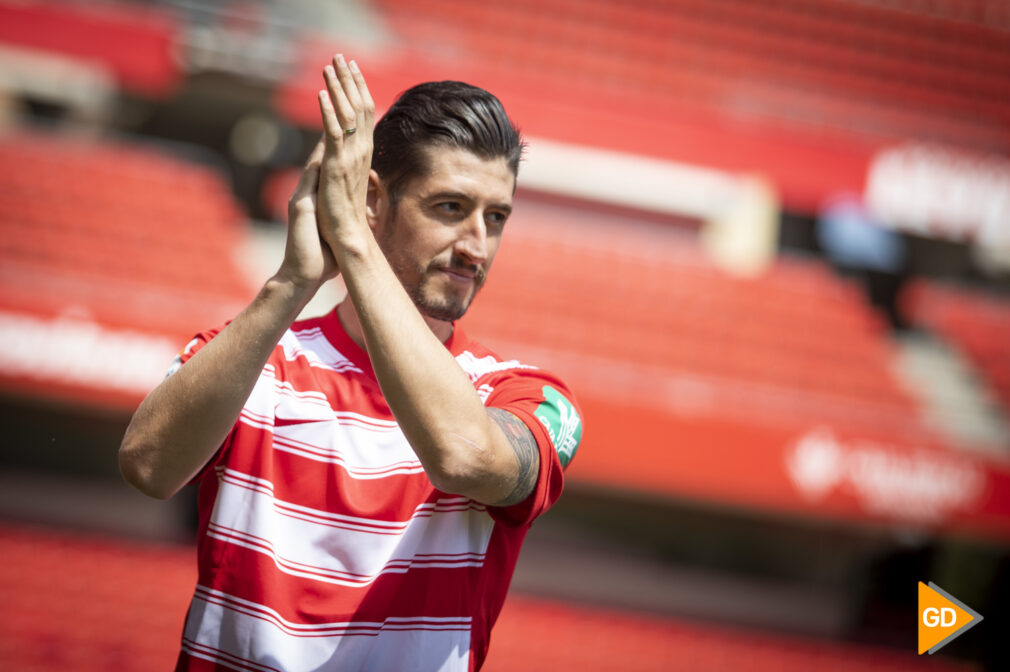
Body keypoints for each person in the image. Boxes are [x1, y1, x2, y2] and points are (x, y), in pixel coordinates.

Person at [119, 54, 582, 671]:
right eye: (450, 207)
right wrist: (292, 281)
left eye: (495, 217)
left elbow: (464, 456)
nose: (476, 245)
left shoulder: (525, 395)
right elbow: (147, 467)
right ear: (369, 201)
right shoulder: (258, 357)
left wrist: (355, 244)